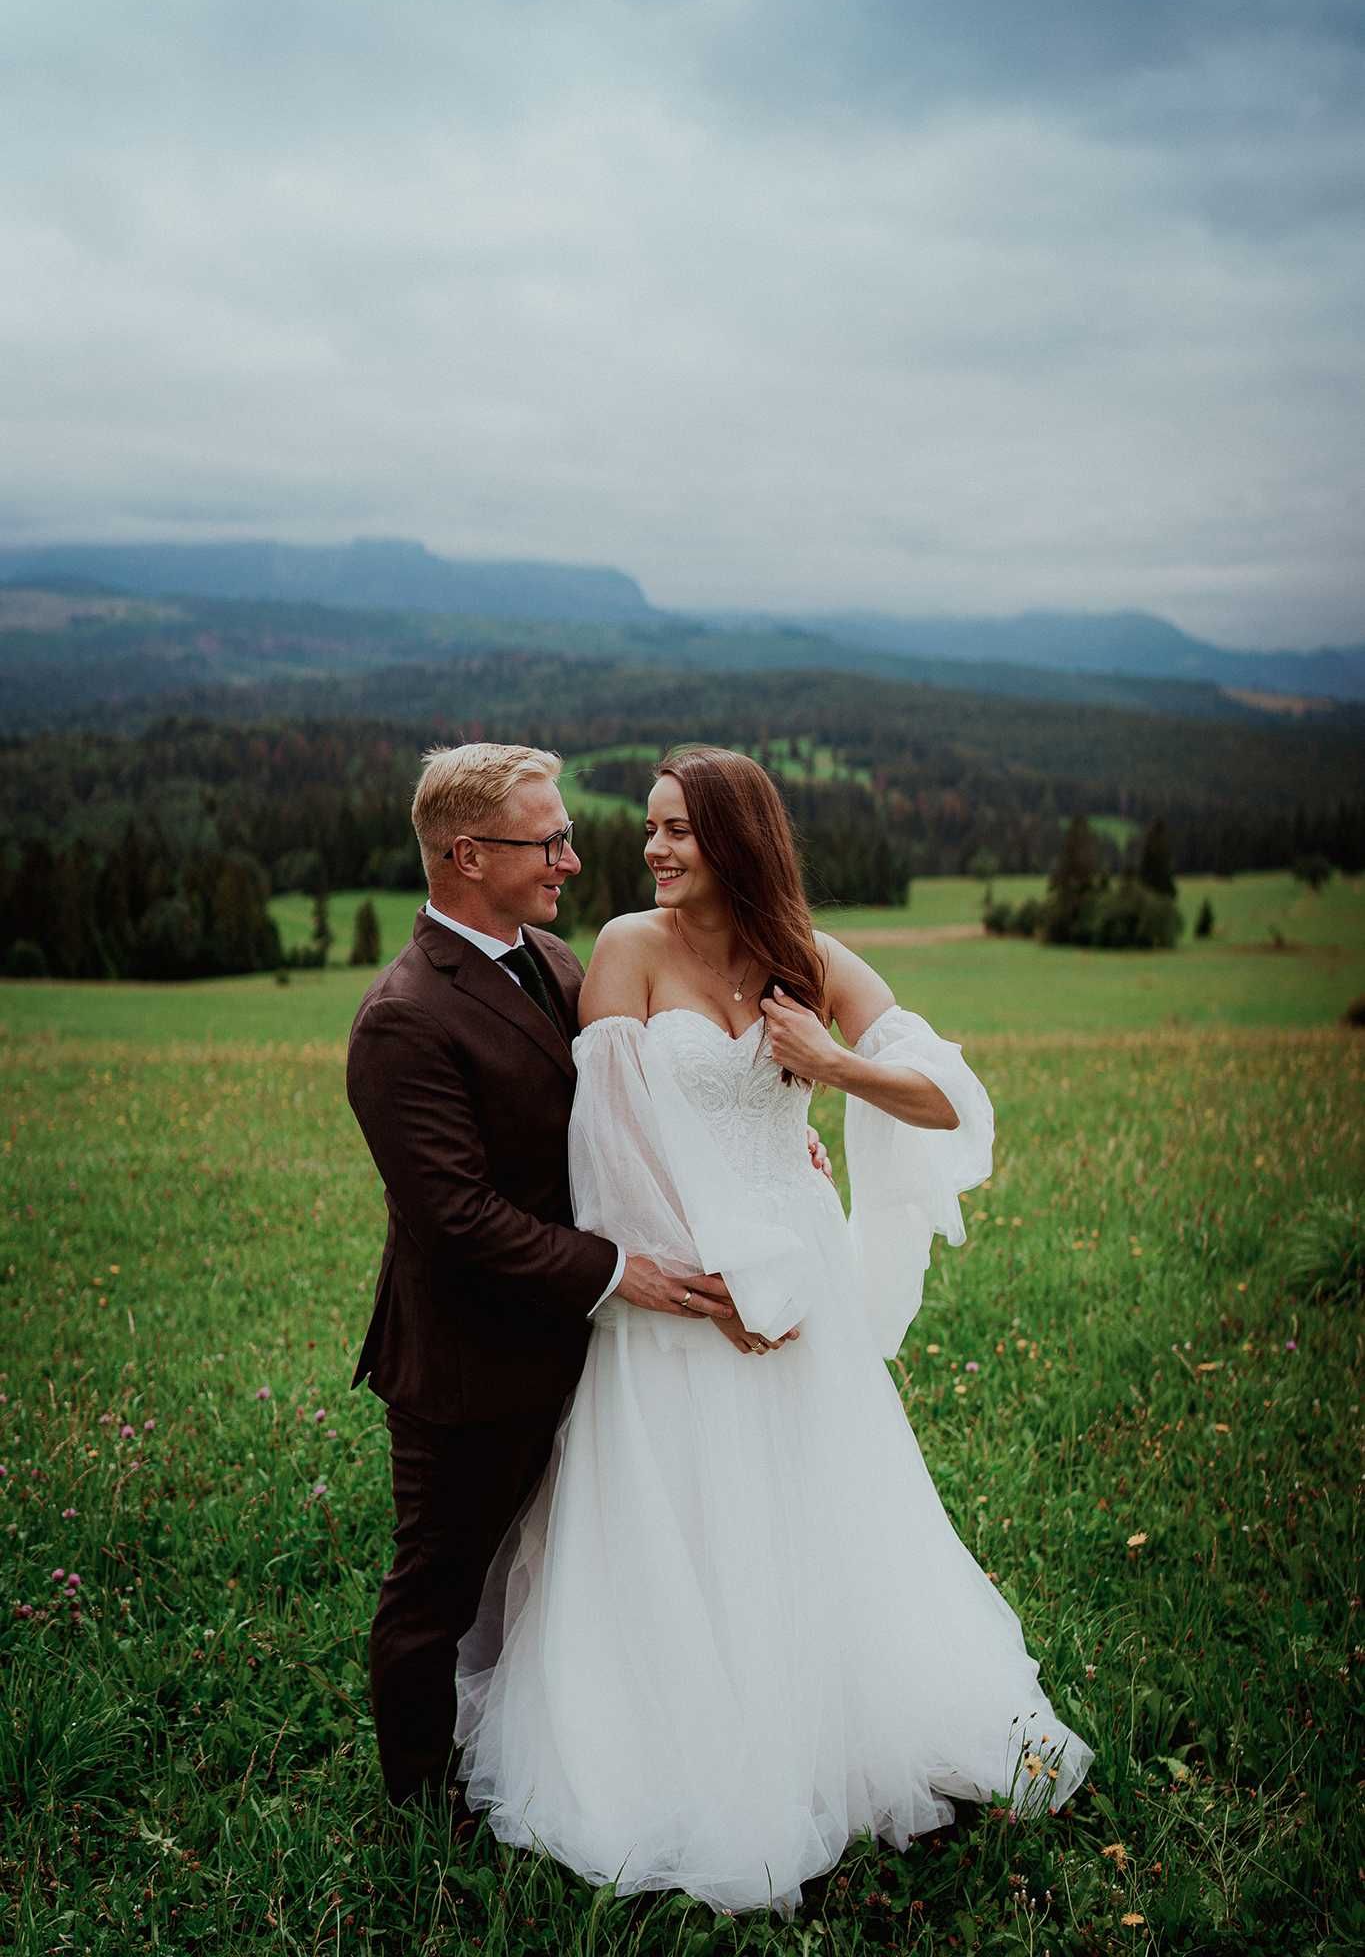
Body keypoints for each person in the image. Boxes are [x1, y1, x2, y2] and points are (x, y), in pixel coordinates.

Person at [454, 745, 1094, 1913]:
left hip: (804, 1294)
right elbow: (611, 1150)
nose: (652, 849)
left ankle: (832, 1728)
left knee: (821, 1510)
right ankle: (693, 1749)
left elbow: (953, 1100)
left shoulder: (807, 957)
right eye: (648, 828)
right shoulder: (626, 949)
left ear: (738, 840)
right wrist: (712, 1281)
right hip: (684, 1286)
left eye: (678, 831)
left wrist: (832, 1062)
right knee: (687, 1516)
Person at [345, 742, 827, 1809]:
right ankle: (422, 1806)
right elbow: (456, 1216)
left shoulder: (556, 963)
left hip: (579, 1344)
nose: (571, 856)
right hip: (467, 1356)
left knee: (563, 1564)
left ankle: (571, 1740)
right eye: (547, 839)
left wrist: (771, 1138)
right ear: (468, 854)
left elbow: (637, 1109)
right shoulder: (403, 1016)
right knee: (441, 1581)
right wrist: (623, 1272)